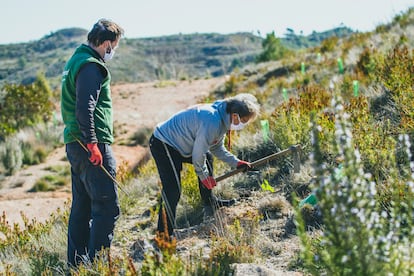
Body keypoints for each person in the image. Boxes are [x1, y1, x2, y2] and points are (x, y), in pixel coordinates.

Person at [149, 93, 260, 238]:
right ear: (234, 115)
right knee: (172, 190)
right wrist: (204, 177)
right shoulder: (213, 120)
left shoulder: (222, 119)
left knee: (207, 157)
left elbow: (216, 148)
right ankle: (163, 235)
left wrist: (236, 162)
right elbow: (197, 155)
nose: (244, 124)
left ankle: (210, 202)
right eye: (244, 120)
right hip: (164, 143)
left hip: (181, 145)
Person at [61, 19, 124, 267]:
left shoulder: (74, 60)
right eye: (114, 46)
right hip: (90, 144)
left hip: (75, 143)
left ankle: (76, 265)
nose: (113, 51)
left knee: (82, 207)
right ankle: (97, 265)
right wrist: (93, 144)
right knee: (107, 206)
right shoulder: (90, 66)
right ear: (107, 44)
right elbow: (84, 107)